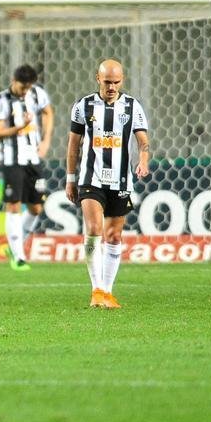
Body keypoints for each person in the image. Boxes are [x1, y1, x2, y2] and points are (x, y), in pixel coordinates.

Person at [66, 59, 150, 309]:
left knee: (113, 236)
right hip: (91, 178)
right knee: (94, 229)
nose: (112, 87)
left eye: (116, 82)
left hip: (120, 179)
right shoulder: (84, 106)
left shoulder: (133, 107)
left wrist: (143, 160)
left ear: (121, 80)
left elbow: (143, 140)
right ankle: (97, 290)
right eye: (107, 82)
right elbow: (73, 146)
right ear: (97, 79)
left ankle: (108, 292)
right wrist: (71, 179)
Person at [0, 64, 54, 271]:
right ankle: (18, 257)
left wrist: (45, 141)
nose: (25, 91)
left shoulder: (37, 94)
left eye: (28, 87)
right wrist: (19, 127)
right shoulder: (1, 100)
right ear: (13, 80)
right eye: (22, 87)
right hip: (10, 160)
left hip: (32, 159)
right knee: (14, 204)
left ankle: (14, 246)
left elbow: (48, 113)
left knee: (36, 207)